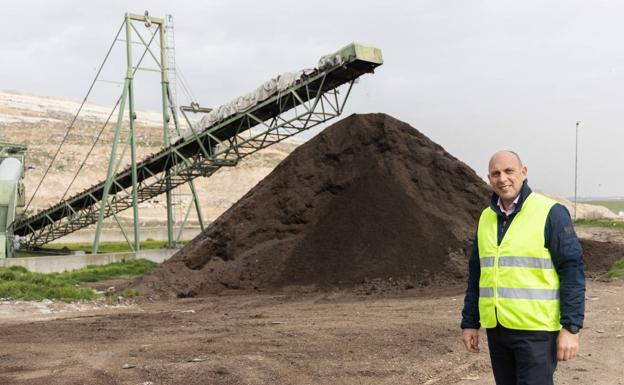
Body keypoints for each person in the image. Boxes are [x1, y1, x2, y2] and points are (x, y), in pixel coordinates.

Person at [461, 150, 585, 385]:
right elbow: (477, 274)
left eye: (509, 171)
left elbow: (572, 271)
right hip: (497, 330)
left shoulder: (551, 213)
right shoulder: (486, 217)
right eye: (495, 173)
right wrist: (470, 323)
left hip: (536, 332)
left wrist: (571, 327)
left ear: (524, 172)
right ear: (489, 179)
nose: (502, 178)